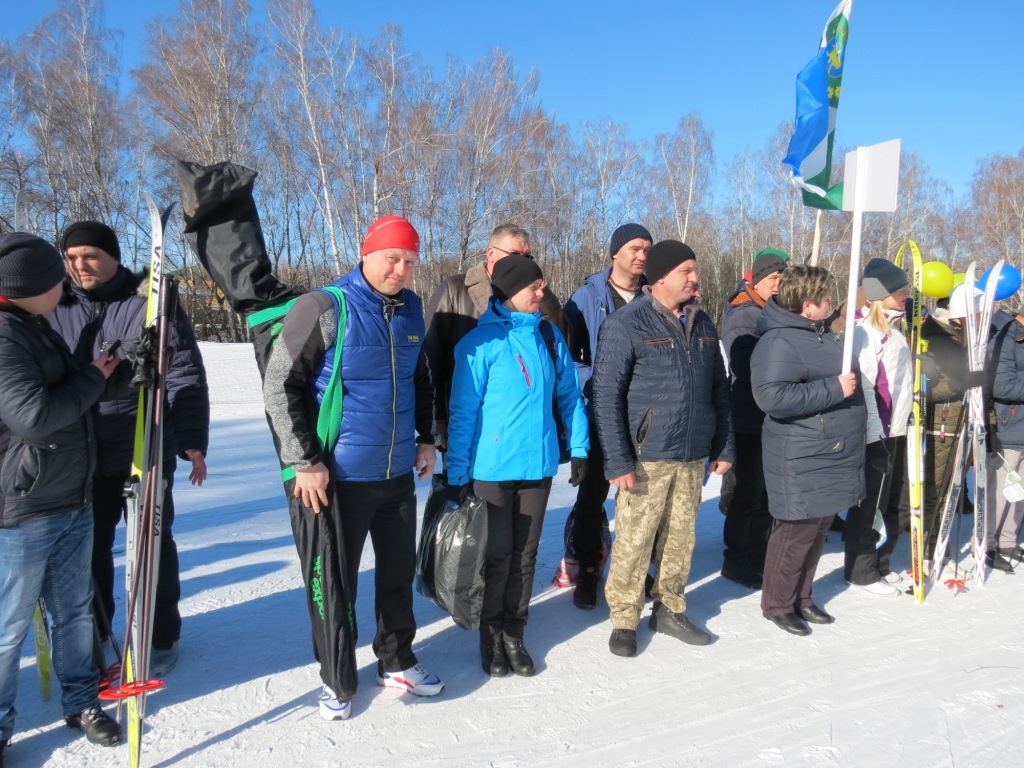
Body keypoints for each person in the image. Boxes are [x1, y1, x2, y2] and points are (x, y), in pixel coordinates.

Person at [263, 215, 443, 721]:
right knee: (335, 583)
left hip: (396, 474)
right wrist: (305, 462)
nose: (401, 270)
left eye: (410, 261)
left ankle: (397, 660)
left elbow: (419, 378)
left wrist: (426, 438)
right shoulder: (324, 307)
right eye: (393, 258)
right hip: (336, 477)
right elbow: (280, 387)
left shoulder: (410, 309)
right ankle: (337, 681)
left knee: (396, 573)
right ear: (367, 254)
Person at [50, 221, 210, 677]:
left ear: (114, 257)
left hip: (145, 445)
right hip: (78, 453)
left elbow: (182, 372)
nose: (80, 265)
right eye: (72, 257)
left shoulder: (149, 303)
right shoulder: (52, 303)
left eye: (91, 256)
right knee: (88, 549)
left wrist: (193, 439)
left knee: (154, 545)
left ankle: (161, 635)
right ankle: (98, 632)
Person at [0, 233, 123, 761]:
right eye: (58, 277)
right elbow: (34, 416)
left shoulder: (33, 328)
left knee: (73, 613)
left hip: (71, 495)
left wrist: (107, 372)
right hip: (24, 506)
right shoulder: (5, 337)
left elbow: (63, 390)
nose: (66, 284)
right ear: (34, 286)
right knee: (8, 627)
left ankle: (81, 701)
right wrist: (94, 377)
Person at [446, 254, 589, 677]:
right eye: (535, 287)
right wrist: (457, 474)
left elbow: (569, 397)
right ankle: (490, 639)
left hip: (538, 467)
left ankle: (515, 633)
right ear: (510, 292)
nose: (542, 293)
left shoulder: (548, 337)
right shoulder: (478, 343)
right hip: (490, 469)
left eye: (542, 285)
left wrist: (579, 447)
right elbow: (462, 413)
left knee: (525, 557)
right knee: (496, 557)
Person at [591, 240, 733, 658]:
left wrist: (724, 444)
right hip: (646, 456)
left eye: (695, 270)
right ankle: (624, 618)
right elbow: (605, 396)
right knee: (635, 540)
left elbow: (720, 391)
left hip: (691, 455)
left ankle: (670, 606)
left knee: (680, 538)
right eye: (687, 271)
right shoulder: (627, 324)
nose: (695, 278)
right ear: (661, 277)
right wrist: (617, 459)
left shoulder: (704, 322)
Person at [751, 265, 866, 636]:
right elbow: (772, 396)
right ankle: (778, 603)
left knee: (819, 527)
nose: (832, 305)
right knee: (796, 530)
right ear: (806, 306)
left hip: (831, 449)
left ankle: (802, 596)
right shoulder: (779, 341)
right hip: (799, 452)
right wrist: (834, 388)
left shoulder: (822, 335)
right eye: (827, 299)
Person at [561, 223, 652, 609]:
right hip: (600, 413)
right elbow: (569, 356)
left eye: (646, 249)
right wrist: (594, 384)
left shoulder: (654, 296)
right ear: (615, 253)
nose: (641, 255)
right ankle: (587, 568)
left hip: (646, 417)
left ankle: (635, 571)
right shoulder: (587, 298)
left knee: (642, 500)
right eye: (634, 248)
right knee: (592, 496)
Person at [423, 223, 567, 452]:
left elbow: (558, 337)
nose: (522, 261)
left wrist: (542, 290)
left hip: (517, 424)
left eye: (527, 257)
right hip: (463, 418)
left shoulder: (534, 296)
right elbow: (430, 357)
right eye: (514, 254)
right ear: (490, 253)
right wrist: (438, 418)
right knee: (461, 485)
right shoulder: (455, 289)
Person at [719, 248, 789, 590]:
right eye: (773, 278)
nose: (778, 284)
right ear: (758, 280)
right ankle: (736, 558)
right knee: (749, 493)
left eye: (782, 278)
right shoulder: (744, 315)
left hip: (772, 416)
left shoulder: (772, 311)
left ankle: (759, 552)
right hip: (749, 417)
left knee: (767, 493)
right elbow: (743, 365)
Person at [843, 259, 913, 595]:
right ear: (878, 294)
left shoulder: (894, 330)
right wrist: (875, 438)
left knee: (892, 502)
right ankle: (862, 571)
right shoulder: (865, 334)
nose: (906, 293)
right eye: (898, 289)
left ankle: (882, 561)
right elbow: (866, 389)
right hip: (878, 433)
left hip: (896, 430)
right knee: (870, 504)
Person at [986, 304, 1024, 570]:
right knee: (1000, 489)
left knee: (1019, 491)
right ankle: (987, 543)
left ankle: (1008, 540)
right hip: (1008, 423)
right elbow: (1001, 385)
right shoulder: (1003, 335)